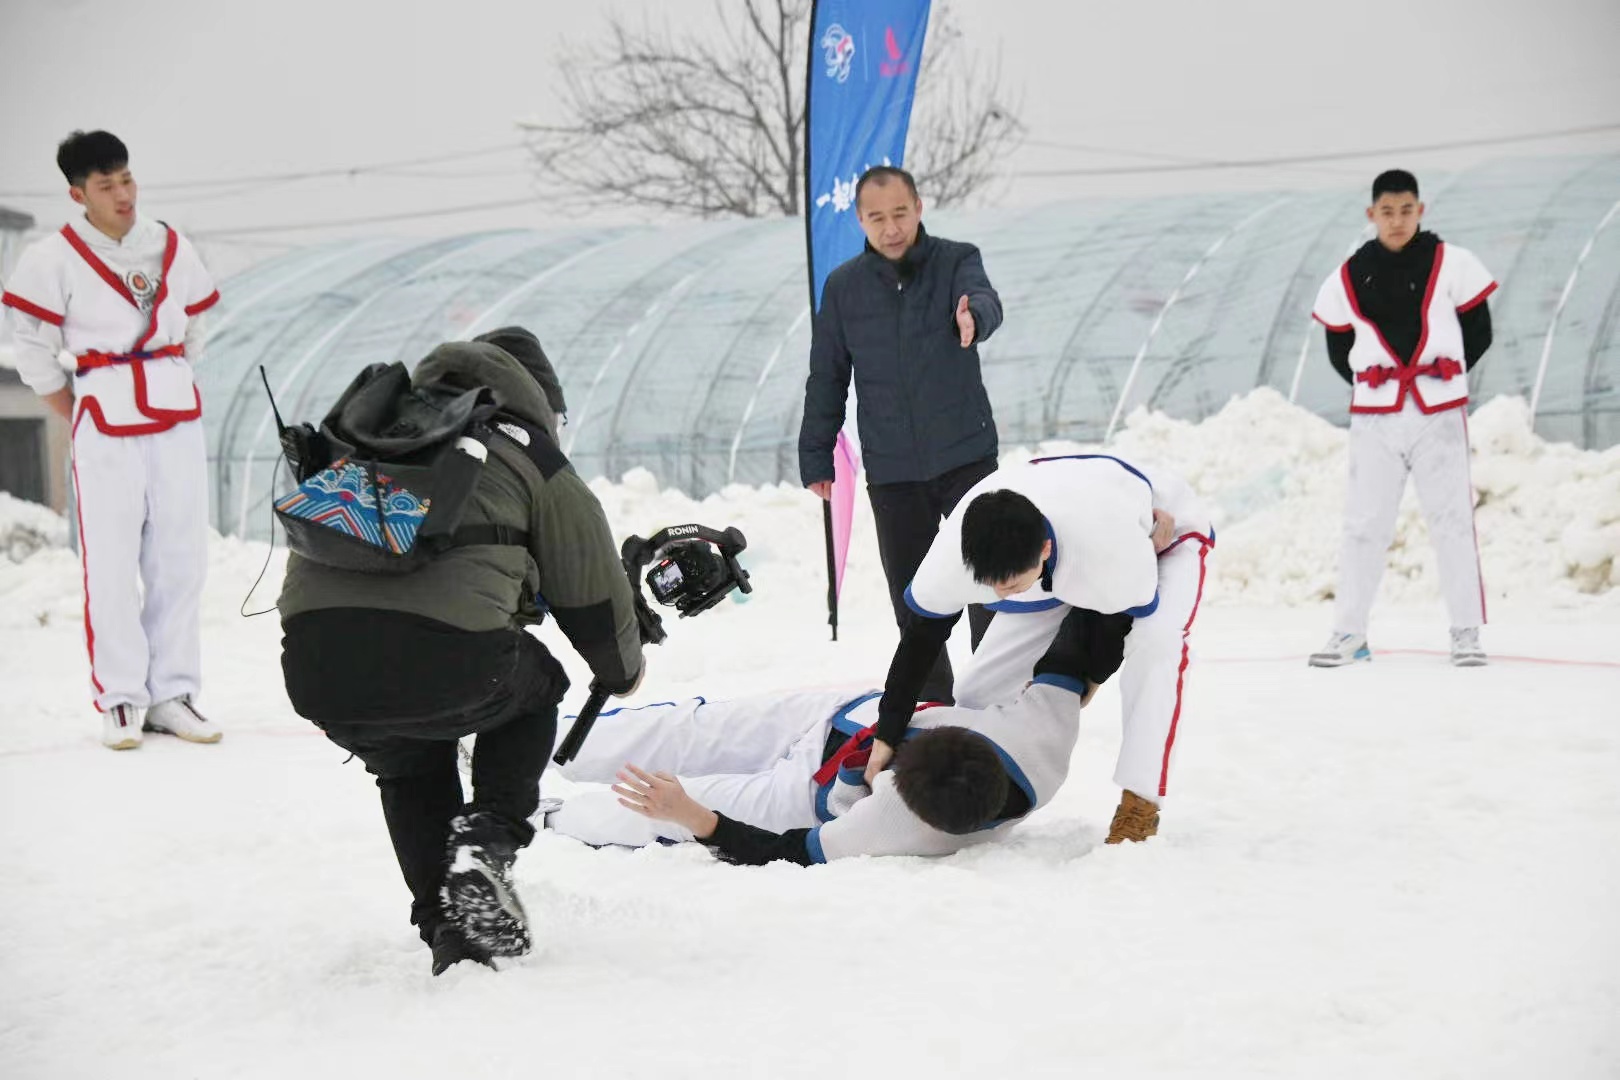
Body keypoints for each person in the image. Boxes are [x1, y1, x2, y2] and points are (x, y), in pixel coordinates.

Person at [277, 329, 643, 975]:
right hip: (452, 660)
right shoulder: (527, 449)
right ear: (542, 401)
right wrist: (622, 669)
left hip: (317, 667)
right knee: (537, 687)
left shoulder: (372, 430)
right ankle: (488, 838)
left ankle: (453, 936)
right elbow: (591, 592)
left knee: (409, 763)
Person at [547, 607, 1122, 863]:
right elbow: (1078, 644)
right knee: (691, 727)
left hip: (806, 796)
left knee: (658, 807)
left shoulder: (894, 827)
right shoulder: (1039, 735)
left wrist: (697, 817)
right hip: (842, 716)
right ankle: (539, 740)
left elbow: (786, 852)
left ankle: (544, 815)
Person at [1, 131, 222, 750]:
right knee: (111, 559)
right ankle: (122, 697)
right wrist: (75, 406)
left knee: (181, 557)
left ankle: (174, 694)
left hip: (175, 412)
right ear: (79, 194)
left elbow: (196, 325)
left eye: (127, 179)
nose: (123, 194)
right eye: (106, 185)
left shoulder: (170, 245)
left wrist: (167, 372)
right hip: (103, 415)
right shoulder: (52, 257)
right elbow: (33, 347)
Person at [872, 454, 1214, 844]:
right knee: (976, 693)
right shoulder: (954, 554)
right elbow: (919, 641)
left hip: (1157, 533)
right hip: (1057, 524)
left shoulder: (1112, 551)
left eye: (1012, 585)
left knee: (1157, 643)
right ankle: (966, 796)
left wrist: (1083, 681)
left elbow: (1112, 622)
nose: (1002, 595)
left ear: (1046, 550)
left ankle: (1139, 803)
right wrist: (887, 733)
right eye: (993, 586)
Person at [798, 165, 1003, 703]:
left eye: (900, 214)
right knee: (915, 597)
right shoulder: (843, 288)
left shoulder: (956, 260)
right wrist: (816, 454)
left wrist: (974, 318)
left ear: (918, 208)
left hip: (966, 454)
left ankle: (999, 696)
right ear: (860, 220)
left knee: (990, 580)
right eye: (877, 218)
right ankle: (933, 706)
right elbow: (827, 375)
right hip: (893, 470)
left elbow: (984, 299)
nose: (891, 228)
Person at [1309, 169, 1496, 668]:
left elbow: (1479, 331)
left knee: (1453, 521)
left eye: (1406, 210)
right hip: (1376, 416)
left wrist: (1438, 378)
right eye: (1388, 212)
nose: (1397, 220)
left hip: (1440, 413)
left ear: (1421, 210)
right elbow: (1338, 346)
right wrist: (1382, 382)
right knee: (1363, 524)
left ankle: (1466, 632)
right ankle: (1349, 633)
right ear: (1372, 214)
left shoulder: (1453, 263)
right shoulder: (1349, 274)